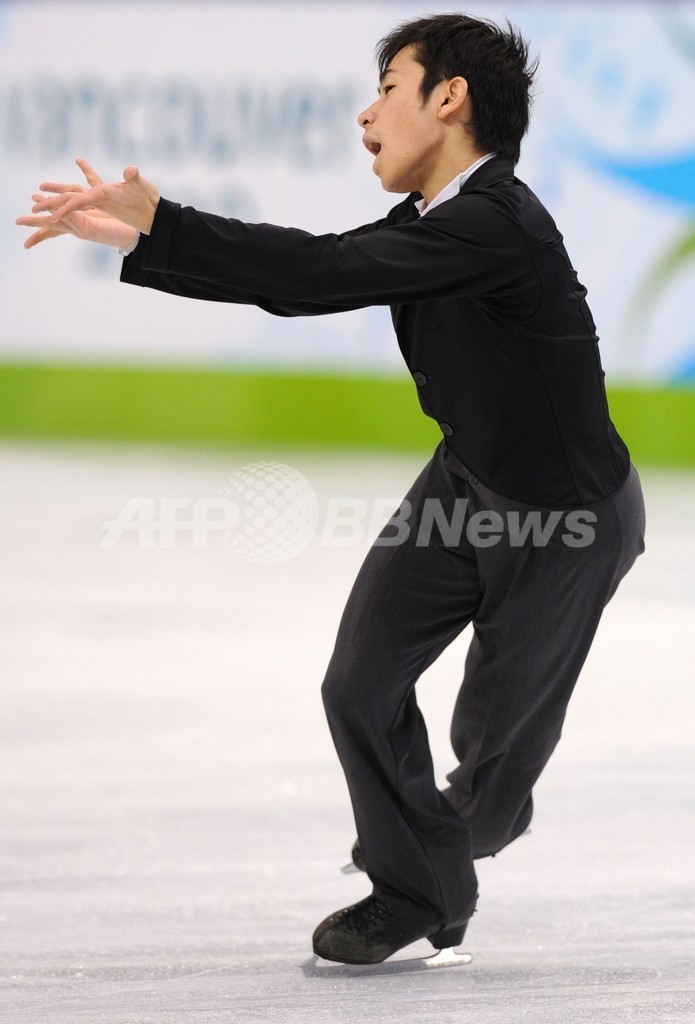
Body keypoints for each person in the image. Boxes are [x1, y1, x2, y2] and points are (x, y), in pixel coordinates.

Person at [18, 13, 645, 967]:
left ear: (449, 98)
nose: (365, 115)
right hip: (463, 485)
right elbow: (308, 273)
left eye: (387, 88)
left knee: (486, 786)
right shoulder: (431, 224)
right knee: (357, 684)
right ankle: (414, 891)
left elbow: (321, 273)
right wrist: (146, 244)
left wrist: (164, 222)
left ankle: (434, 865)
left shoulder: (496, 224)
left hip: (566, 522)